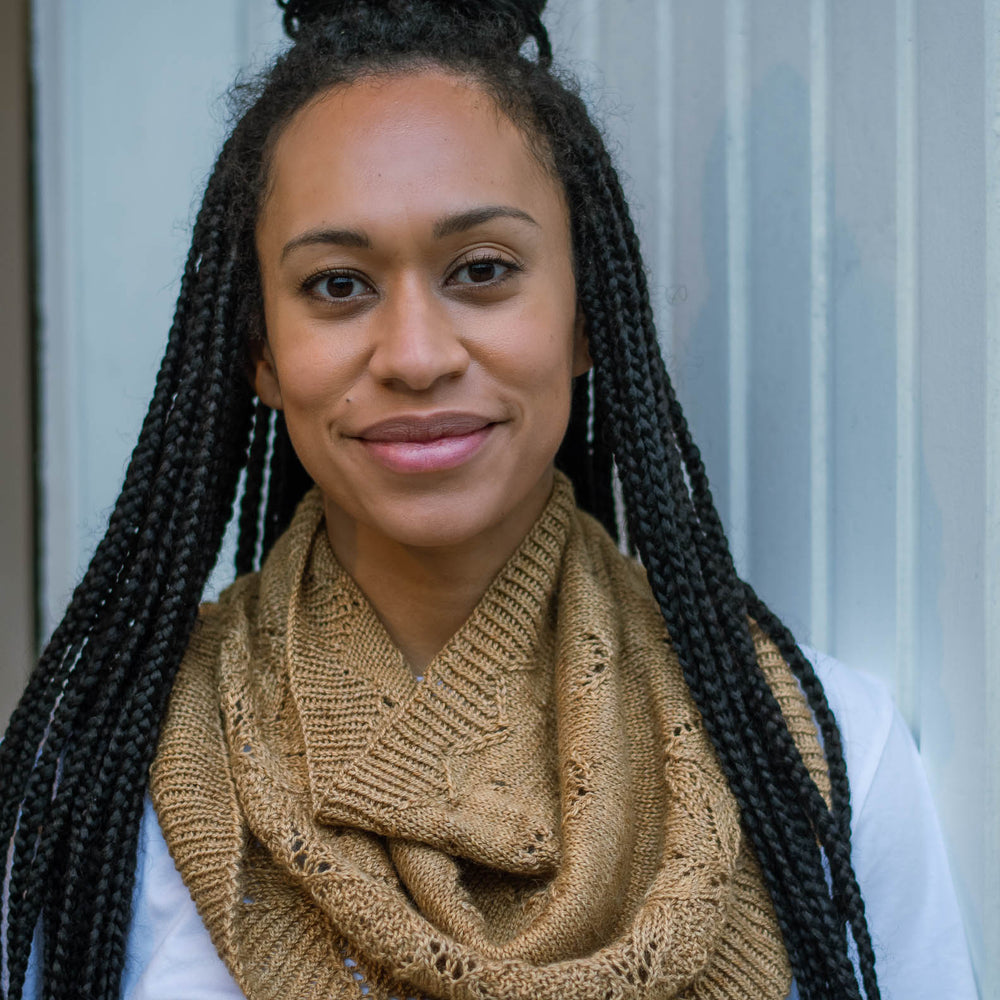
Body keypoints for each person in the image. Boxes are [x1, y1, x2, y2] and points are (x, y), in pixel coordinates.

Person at [0, 2, 977, 998]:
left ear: (586, 315)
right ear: (258, 348)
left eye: (481, 271)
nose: (416, 356)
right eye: (337, 285)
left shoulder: (814, 756)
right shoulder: (104, 784)